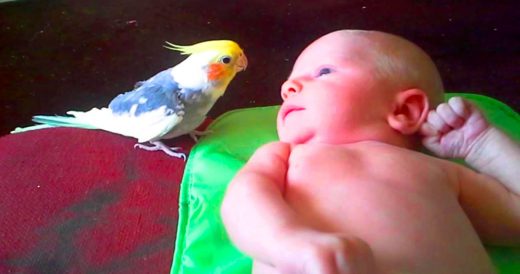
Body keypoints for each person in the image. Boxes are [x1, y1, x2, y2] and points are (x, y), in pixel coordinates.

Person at [220, 29, 520, 274]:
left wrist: (483, 146)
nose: (289, 87)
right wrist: (287, 244)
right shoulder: (283, 156)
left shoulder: (441, 171)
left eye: (323, 71)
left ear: (404, 109)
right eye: (288, 86)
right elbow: (242, 204)